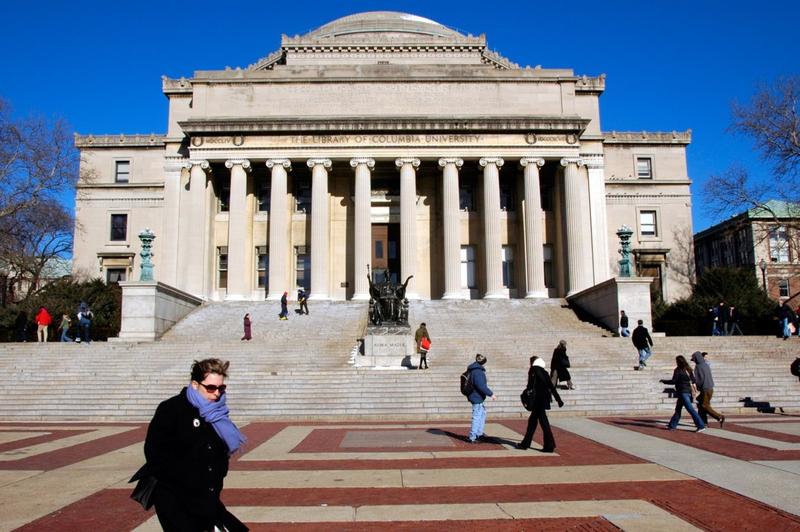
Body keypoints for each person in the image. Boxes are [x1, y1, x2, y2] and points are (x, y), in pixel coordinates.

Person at [134, 358, 248, 531]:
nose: (217, 393)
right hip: (174, 496)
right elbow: (154, 453)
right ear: (195, 384)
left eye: (221, 387)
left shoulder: (218, 414)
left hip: (206, 496)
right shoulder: (172, 409)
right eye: (210, 387)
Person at [517, 356, 564, 452]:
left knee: (543, 423)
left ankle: (549, 445)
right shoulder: (544, 372)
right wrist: (558, 399)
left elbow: (530, 386)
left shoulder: (533, 370)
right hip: (544, 400)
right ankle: (526, 443)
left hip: (537, 401)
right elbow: (551, 386)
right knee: (533, 422)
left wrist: (525, 394)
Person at [661, 355, 706, 432]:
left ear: (678, 362)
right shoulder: (688, 369)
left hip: (682, 392)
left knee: (690, 409)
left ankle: (701, 425)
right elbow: (694, 380)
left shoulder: (678, 370)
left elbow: (674, 381)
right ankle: (672, 425)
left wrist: (664, 381)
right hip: (687, 391)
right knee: (678, 409)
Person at [465, 354, 496, 443]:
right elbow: (481, 386)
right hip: (476, 397)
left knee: (481, 415)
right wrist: (491, 394)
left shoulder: (473, 370)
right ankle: (473, 436)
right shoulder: (478, 371)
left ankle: (479, 434)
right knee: (477, 416)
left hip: (477, 397)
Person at [691, 351, 725, 428]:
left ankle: (719, 417)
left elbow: (698, 380)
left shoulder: (698, 367)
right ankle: (703, 421)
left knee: (704, 405)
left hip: (705, 389)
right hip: (710, 388)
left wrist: (695, 386)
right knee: (700, 404)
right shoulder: (706, 365)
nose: (694, 361)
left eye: (694, 359)